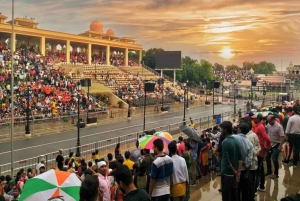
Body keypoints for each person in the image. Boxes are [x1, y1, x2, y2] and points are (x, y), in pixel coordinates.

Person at [220, 121, 242, 201]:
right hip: (234, 175)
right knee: (234, 196)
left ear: (225, 130)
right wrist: (238, 172)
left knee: (226, 197)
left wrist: (234, 171)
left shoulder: (225, 142)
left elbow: (227, 160)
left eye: (222, 129)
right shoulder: (236, 140)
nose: (221, 131)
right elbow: (240, 157)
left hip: (227, 174)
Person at [234, 123, 254, 201]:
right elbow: (248, 162)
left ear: (240, 129)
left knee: (235, 192)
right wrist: (243, 163)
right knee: (244, 191)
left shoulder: (233, 138)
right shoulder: (249, 143)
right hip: (243, 171)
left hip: (233, 170)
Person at [252, 113, 271, 192]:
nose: (253, 120)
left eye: (254, 118)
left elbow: (268, 139)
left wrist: (267, 147)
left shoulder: (260, 127)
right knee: (261, 169)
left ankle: (255, 189)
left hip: (260, 151)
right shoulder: (258, 126)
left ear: (258, 119)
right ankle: (262, 186)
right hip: (259, 150)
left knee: (257, 170)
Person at [265, 114, 285, 179]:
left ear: (273, 119)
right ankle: (269, 170)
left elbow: (282, 137)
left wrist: (280, 146)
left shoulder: (279, 127)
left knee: (274, 159)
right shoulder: (268, 125)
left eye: (270, 121)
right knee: (267, 157)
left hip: (276, 144)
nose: (269, 123)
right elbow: (267, 133)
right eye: (268, 121)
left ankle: (276, 173)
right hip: (270, 144)